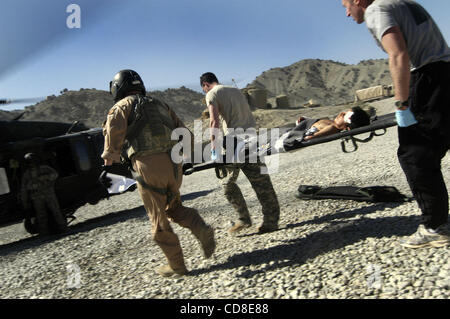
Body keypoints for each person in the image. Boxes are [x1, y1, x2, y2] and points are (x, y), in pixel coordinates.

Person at [341, 0, 450, 248]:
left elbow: (398, 54)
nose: (347, 13)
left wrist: (401, 104)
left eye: (346, 5)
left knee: (415, 154)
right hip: (445, 71)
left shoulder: (376, 10)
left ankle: (436, 227)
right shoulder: (402, 2)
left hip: (427, 78)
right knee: (438, 144)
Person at [101, 69, 215, 277]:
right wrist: (187, 159)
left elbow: (113, 138)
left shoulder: (120, 107)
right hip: (174, 164)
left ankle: (176, 265)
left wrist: (108, 168)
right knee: (174, 207)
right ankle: (200, 227)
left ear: (118, 88)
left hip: (148, 166)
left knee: (158, 219)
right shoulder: (161, 104)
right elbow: (185, 134)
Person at [200, 72, 280, 234]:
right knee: (261, 182)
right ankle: (271, 221)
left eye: (204, 89)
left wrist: (214, 148)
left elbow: (214, 120)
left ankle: (244, 219)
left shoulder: (211, 94)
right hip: (251, 138)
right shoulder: (236, 91)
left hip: (233, 142)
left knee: (227, 184)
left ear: (205, 85)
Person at [20, 153, 67, 235]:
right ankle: (44, 232)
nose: (31, 164)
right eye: (29, 162)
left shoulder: (45, 169)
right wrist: (25, 200)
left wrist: (45, 177)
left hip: (49, 194)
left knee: (56, 211)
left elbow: (55, 175)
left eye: (32, 162)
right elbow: (25, 188)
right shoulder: (27, 174)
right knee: (41, 215)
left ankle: (63, 227)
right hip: (37, 197)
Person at [297, 106, 371, 141]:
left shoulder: (332, 128)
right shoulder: (332, 123)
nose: (341, 113)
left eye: (344, 115)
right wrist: (306, 121)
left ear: (347, 127)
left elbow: (310, 137)